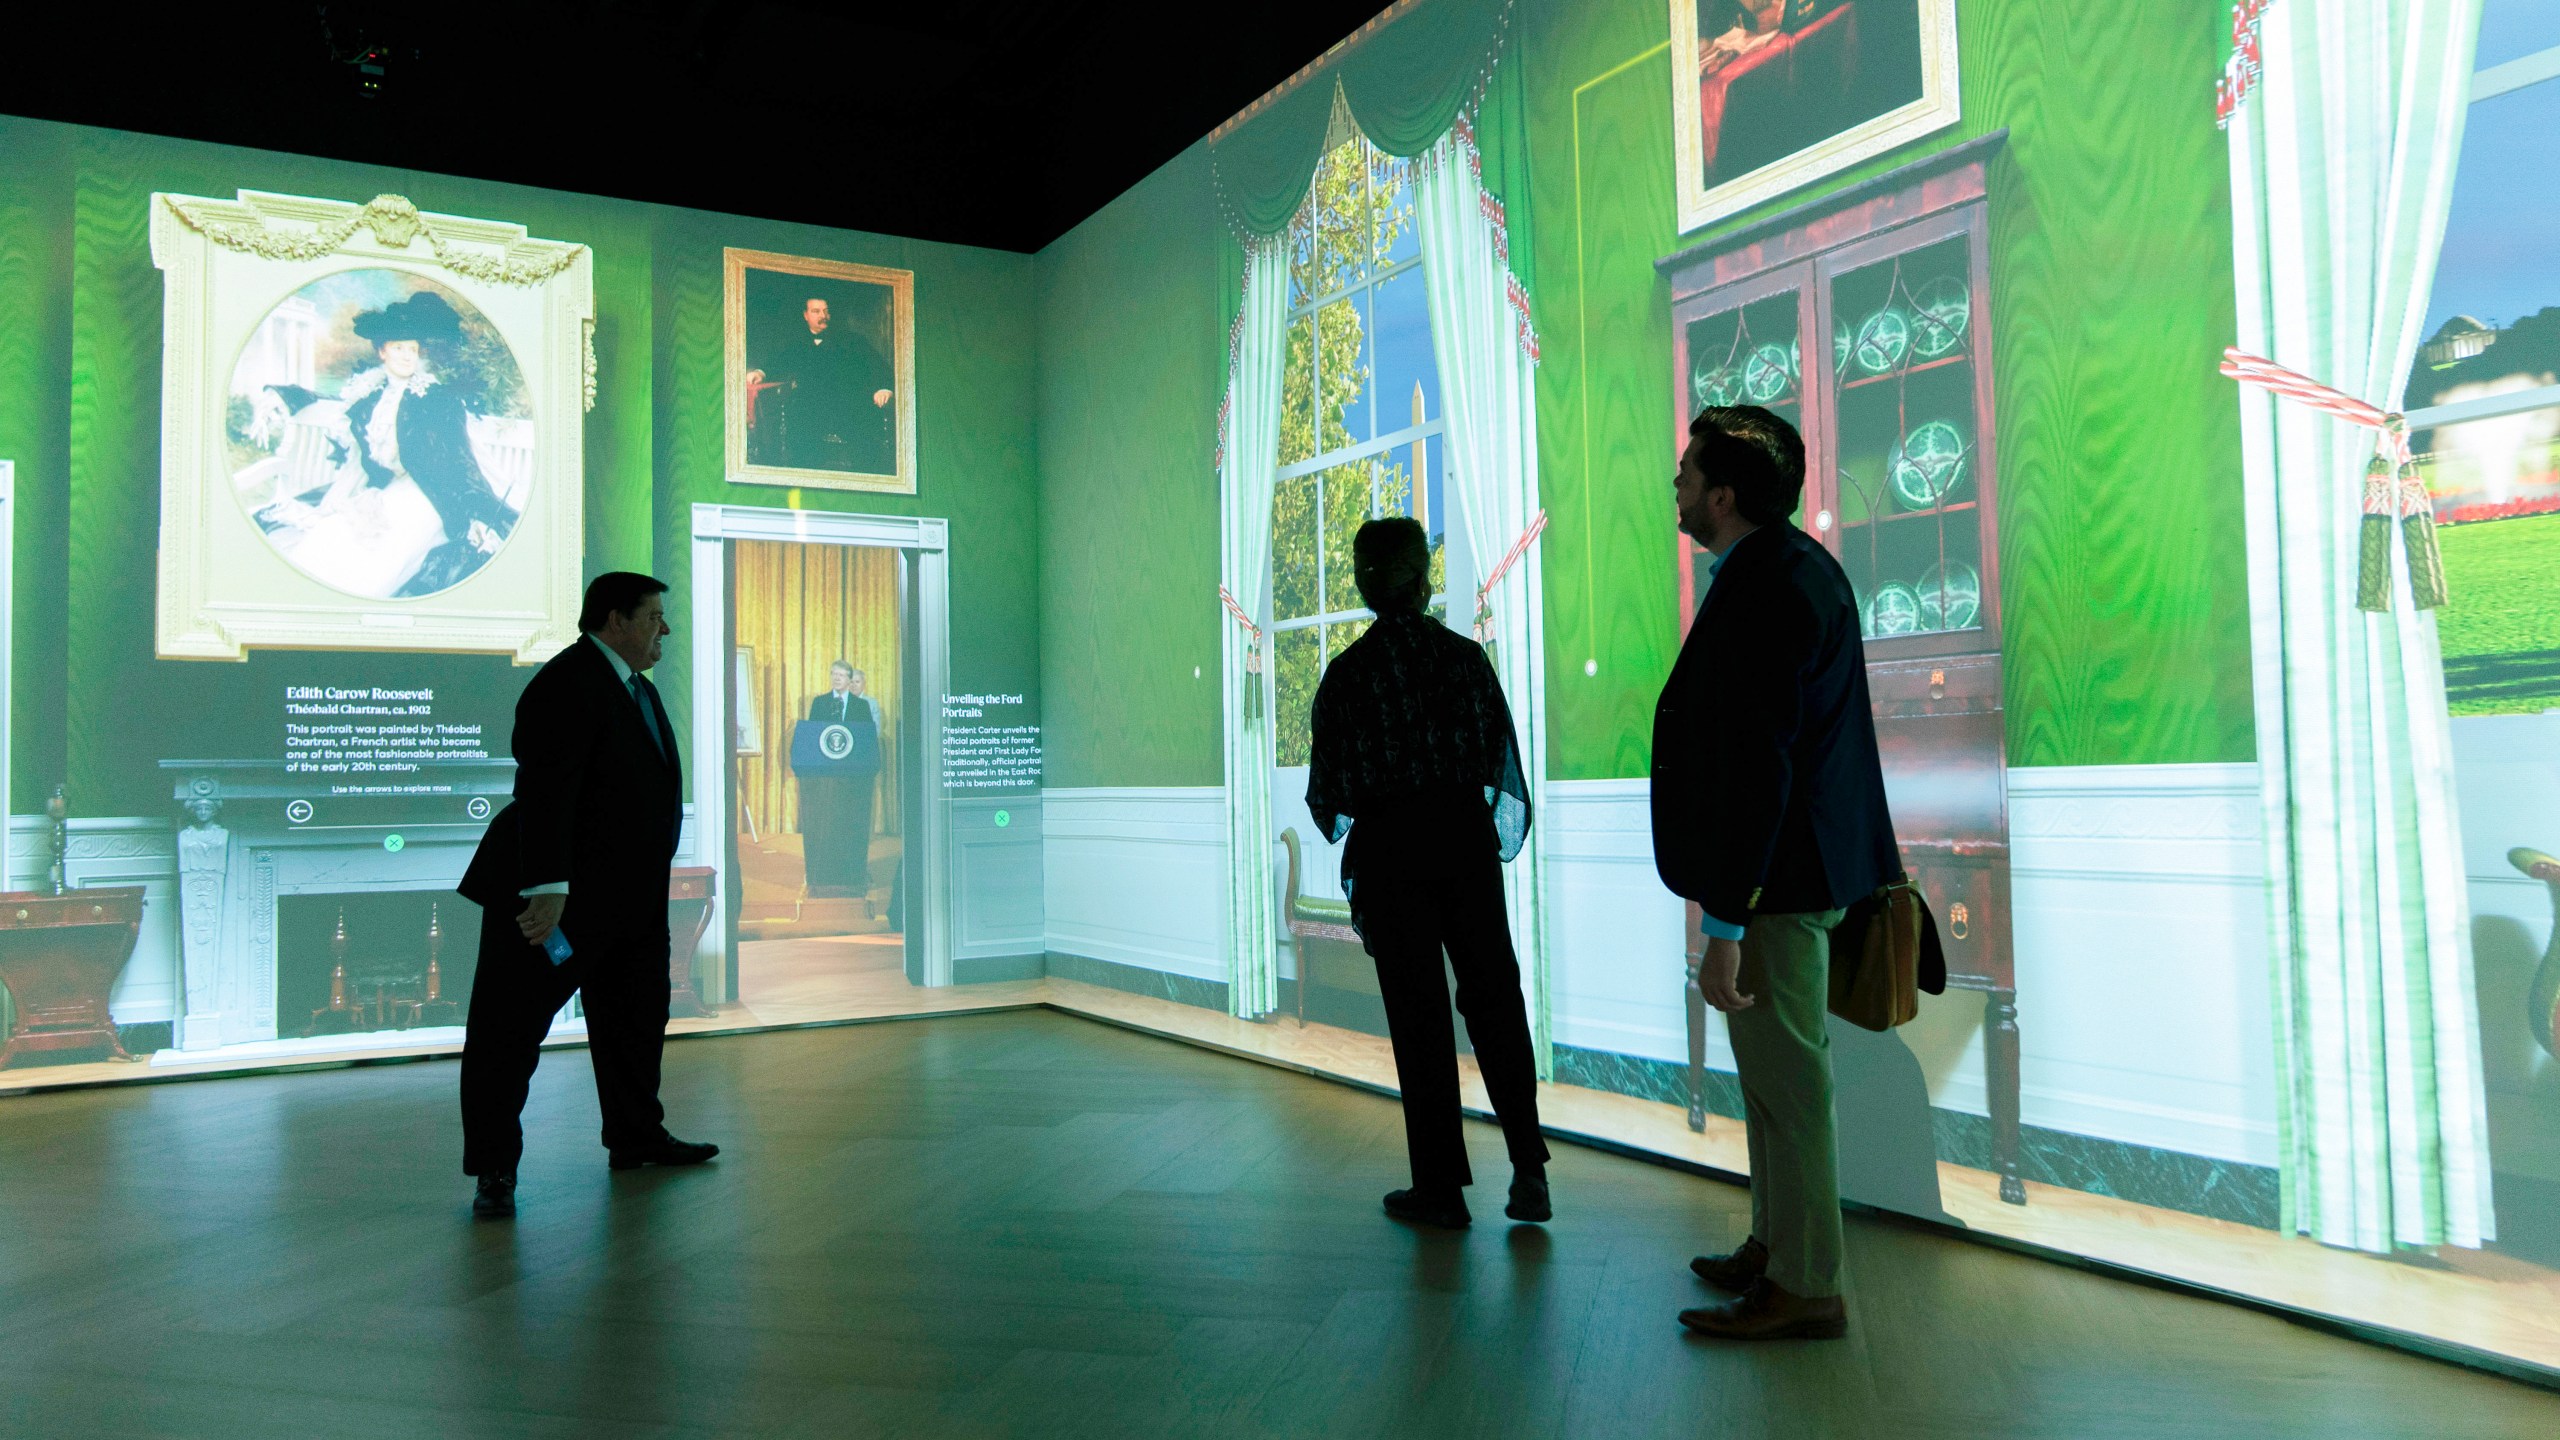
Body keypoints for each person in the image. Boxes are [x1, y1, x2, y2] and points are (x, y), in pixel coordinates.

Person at [1652, 405, 1899, 1339]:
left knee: (1791, 1092)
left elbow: (1762, 767)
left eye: (1687, 473)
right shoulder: (1791, 570)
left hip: (1777, 888)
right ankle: (1776, 1244)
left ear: (1722, 495)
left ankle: (1807, 1285)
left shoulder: (1765, 588)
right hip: (1795, 876)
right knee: (1772, 1086)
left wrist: (1725, 924)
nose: (1675, 487)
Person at [1306, 517, 1550, 1230]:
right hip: (1464, 848)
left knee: (1419, 1019)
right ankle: (1529, 1170)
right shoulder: (1464, 661)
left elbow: (1332, 796)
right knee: (1495, 1001)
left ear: (1363, 582)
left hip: (1391, 858)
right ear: (1423, 577)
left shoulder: (1348, 677)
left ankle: (1440, 1190)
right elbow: (1499, 766)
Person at [457, 572, 718, 1218]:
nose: (665, 629)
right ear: (614, 620)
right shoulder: (566, 682)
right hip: (552, 902)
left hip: (627, 901)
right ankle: (494, 1169)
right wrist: (547, 888)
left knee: (635, 1021)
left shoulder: (638, 690)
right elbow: (545, 791)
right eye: (653, 616)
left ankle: (635, 1136)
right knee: (509, 1031)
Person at [338, 291, 520, 594]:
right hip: (393, 487)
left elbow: (460, 460)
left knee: (391, 545)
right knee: (345, 533)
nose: (408, 355)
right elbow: (368, 457)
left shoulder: (435, 399)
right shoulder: (370, 400)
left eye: (413, 348)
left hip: (434, 493)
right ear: (382, 352)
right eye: (399, 348)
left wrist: (474, 509)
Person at [745, 295, 894, 474]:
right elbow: (777, 361)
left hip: (847, 408)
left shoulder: (852, 341)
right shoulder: (796, 344)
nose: (822, 315)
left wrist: (884, 388)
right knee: (801, 446)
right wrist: (761, 373)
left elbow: (878, 365)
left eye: (826, 311)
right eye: (816, 311)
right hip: (810, 411)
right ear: (806, 315)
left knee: (866, 450)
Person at [800, 661, 881, 896]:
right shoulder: (820, 703)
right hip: (822, 782)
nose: (837, 678)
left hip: (853, 782)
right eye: (833, 673)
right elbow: (811, 738)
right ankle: (820, 874)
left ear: (849, 679)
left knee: (851, 826)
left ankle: (853, 874)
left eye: (841, 675)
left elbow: (866, 739)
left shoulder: (861, 706)